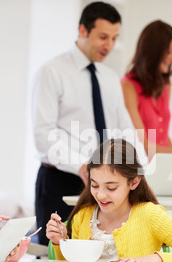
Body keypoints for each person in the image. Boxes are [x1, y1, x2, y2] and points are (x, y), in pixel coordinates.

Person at [32, 2, 138, 245]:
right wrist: (81, 166)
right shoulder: (52, 72)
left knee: (97, 252)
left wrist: (137, 170)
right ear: (82, 31)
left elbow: (125, 131)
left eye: (114, 38)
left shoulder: (110, 79)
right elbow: (43, 134)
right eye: (103, 37)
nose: (109, 45)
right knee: (56, 256)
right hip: (61, 180)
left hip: (105, 185)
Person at [45, 139, 172, 262]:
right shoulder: (84, 215)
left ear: (133, 183)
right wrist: (60, 243)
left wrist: (159, 258)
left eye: (111, 187)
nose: (100, 194)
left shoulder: (150, 215)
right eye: (94, 185)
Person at [121, 20, 172, 156]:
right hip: (139, 168)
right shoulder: (127, 87)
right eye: (169, 51)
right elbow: (142, 144)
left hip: (161, 166)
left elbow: (164, 137)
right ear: (154, 50)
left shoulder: (166, 86)